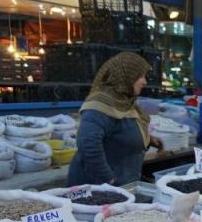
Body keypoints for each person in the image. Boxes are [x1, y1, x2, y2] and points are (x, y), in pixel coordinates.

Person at [68, 52, 163, 186]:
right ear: (127, 76)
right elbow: (88, 144)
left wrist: (148, 139)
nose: (145, 82)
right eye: (140, 76)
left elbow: (121, 131)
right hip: (97, 189)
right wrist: (108, 178)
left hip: (122, 185)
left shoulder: (124, 101)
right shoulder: (99, 105)